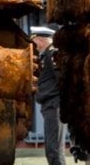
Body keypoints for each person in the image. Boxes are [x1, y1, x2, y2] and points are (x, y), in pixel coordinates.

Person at [33, 26, 66, 165]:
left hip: (54, 105)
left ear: (40, 40)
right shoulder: (46, 55)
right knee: (52, 148)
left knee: (54, 149)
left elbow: (62, 80)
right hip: (50, 105)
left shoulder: (52, 54)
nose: (34, 47)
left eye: (34, 43)